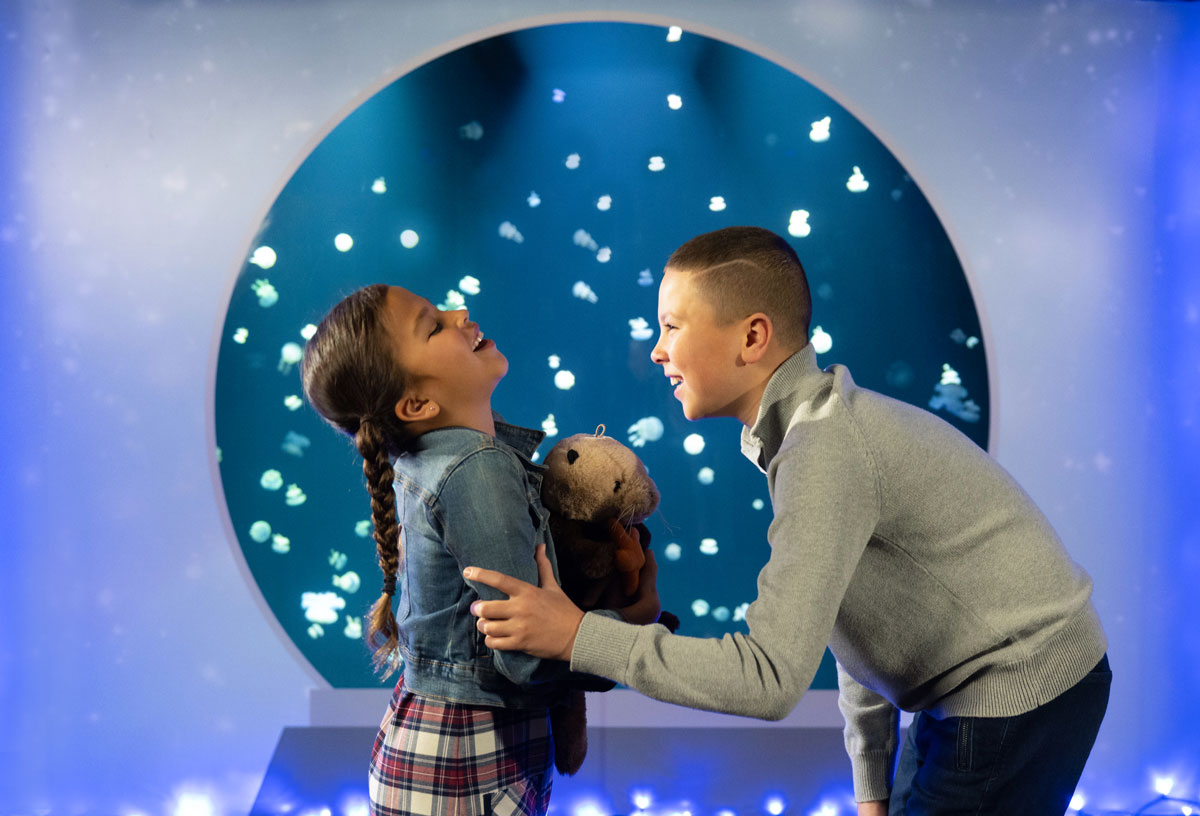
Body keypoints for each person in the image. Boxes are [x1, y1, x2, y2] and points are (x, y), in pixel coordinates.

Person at [465, 227, 1111, 816]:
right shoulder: (809, 435)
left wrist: (578, 635)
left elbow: (771, 677)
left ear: (751, 337)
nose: (657, 351)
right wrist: (873, 787)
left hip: (1019, 688)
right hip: (971, 687)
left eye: (670, 326)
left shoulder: (824, 449)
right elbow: (858, 618)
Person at [301, 284, 656, 815]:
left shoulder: (436, 461)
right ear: (417, 403)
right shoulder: (478, 469)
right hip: (464, 766)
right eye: (434, 325)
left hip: (437, 751)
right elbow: (528, 658)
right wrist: (640, 620)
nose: (459, 312)